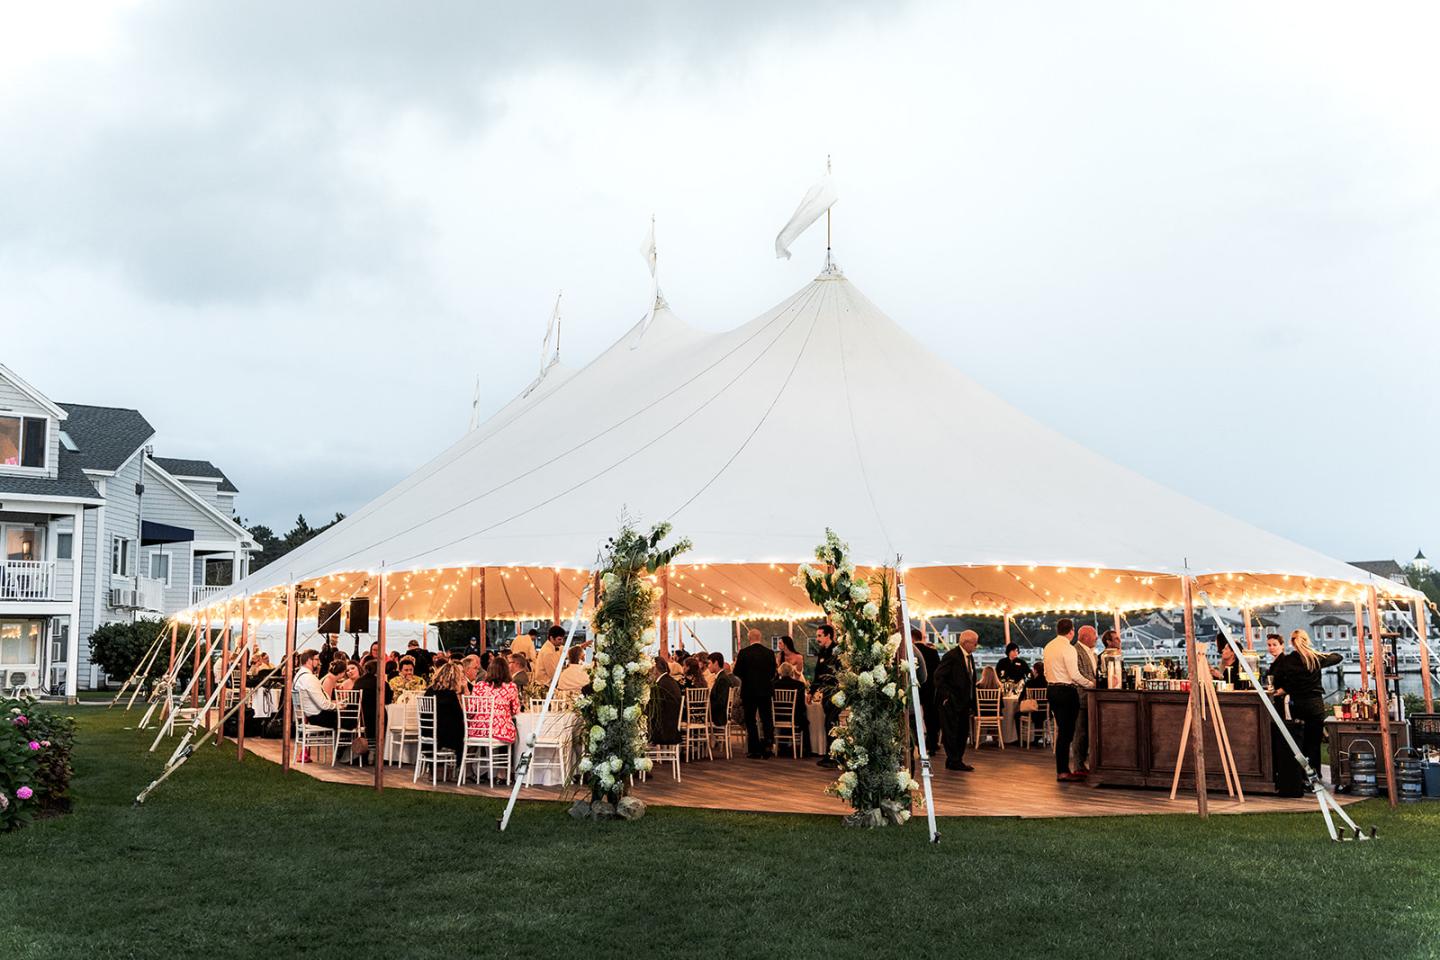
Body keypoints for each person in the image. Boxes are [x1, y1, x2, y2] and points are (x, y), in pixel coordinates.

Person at [1270, 628, 1343, 777]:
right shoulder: (1315, 658)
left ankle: (1301, 775)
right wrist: (1319, 653)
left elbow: (1278, 680)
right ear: (1307, 640)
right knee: (1314, 741)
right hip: (1315, 704)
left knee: (1299, 741)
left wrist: (1286, 688)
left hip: (1297, 704)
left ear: (1292, 642)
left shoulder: (1288, 660)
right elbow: (1338, 657)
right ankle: (1315, 774)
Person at [1043, 618, 1090, 782]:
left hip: (1052, 690)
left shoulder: (1048, 647)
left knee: (1062, 732)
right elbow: (1074, 675)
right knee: (1067, 733)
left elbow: (1045, 672)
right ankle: (1062, 771)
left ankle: (1062, 769)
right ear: (1071, 631)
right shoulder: (1068, 648)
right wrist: (1091, 683)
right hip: (1066, 691)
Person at [933, 630, 978, 771]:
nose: (976, 646)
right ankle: (954, 760)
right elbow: (938, 677)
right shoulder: (951, 656)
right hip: (951, 702)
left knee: (962, 732)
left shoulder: (970, 657)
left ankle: (956, 760)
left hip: (964, 702)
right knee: (951, 732)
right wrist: (947, 696)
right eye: (975, 643)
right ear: (966, 643)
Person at [733, 628, 778, 759]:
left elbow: (737, 672)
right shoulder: (769, 653)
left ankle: (755, 749)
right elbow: (772, 672)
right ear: (760, 637)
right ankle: (768, 744)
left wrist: (747, 678)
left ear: (749, 638)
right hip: (765, 690)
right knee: (766, 718)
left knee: (750, 720)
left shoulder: (744, 653)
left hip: (749, 691)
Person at [468, 657, 520, 743]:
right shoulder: (511, 687)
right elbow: (515, 710)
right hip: (500, 731)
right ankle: (511, 756)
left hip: (478, 729)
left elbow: (471, 709)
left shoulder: (479, 686)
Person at [424, 660, 469, 754]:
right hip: (444, 738)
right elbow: (461, 715)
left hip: (427, 733)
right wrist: (465, 690)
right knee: (465, 734)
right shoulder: (450, 694)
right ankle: (460, 766)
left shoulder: (430, 691)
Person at [812, 624, 841, 767]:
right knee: (828, 723)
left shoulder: (836, 650)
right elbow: (817, 673)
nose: (817, 638)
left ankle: (835, 756)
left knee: (831, 722)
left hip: (835, 691)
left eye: (819, 636)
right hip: (826, 692)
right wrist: (812, 691)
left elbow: (837, 672)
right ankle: (831, 754)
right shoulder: (822, 651)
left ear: (828, 635)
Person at [1072, 625, 1099, 775]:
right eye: (1094, 634)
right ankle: (1078, 766)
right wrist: (1094, 683)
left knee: (1090, 733)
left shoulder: (1094, 654)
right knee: (1080, 733)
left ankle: (1090, 764)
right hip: (1081, 697)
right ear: (1085, 637)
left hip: (1093, 698)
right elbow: (1079, 673)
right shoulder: (1075, 651)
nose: (1096, 637)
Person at [352, 658, 391, 756]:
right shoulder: (380, 682)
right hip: (374, 717)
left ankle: (371, 750)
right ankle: (378, 750)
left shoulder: (358, 681)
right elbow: (388, 700)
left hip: (358, 716)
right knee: (385, 715)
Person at [291, 649, 339, 729]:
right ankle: (344, 741)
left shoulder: (299, 675)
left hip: (311, 715)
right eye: (317, 659)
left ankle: (339, 740)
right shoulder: (309, 678)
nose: (319, 662)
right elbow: (323, 704)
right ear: (309, 661)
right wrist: (336, 706)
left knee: (347, 717)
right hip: (318, 717)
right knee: (351, 717)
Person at [913, 628, 941, 753]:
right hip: (930, 689)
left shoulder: (911, 652)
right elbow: (938, 672)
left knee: (913, 716)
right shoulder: (932, 652)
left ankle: (918, 745)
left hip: (915, 688)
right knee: (930, 717)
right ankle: (933, 744)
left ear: (912, 638)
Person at [774, 662, 810, 754]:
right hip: (795, 717)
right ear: (791, 672)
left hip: (777, 717)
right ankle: (806, 748)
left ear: (780, 672)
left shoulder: (773, 685)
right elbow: (801, 704)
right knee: (805, 721)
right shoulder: (799, 685)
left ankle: (782, 746)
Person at [647, 657, 684, 746]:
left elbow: (654, 709)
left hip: (665, 729)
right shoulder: (671, 681)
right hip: (672, 726)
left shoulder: (661, 685)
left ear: (655, 669)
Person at [707, 652, 740, 731]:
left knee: (695, 719)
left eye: (709, 663)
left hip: (719, 718)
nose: (708, 666)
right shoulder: (721, 677)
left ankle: (701, 742)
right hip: (718, 715)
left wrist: (707, 708)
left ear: (716, 663)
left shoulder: (722, 679)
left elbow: (721, 702)